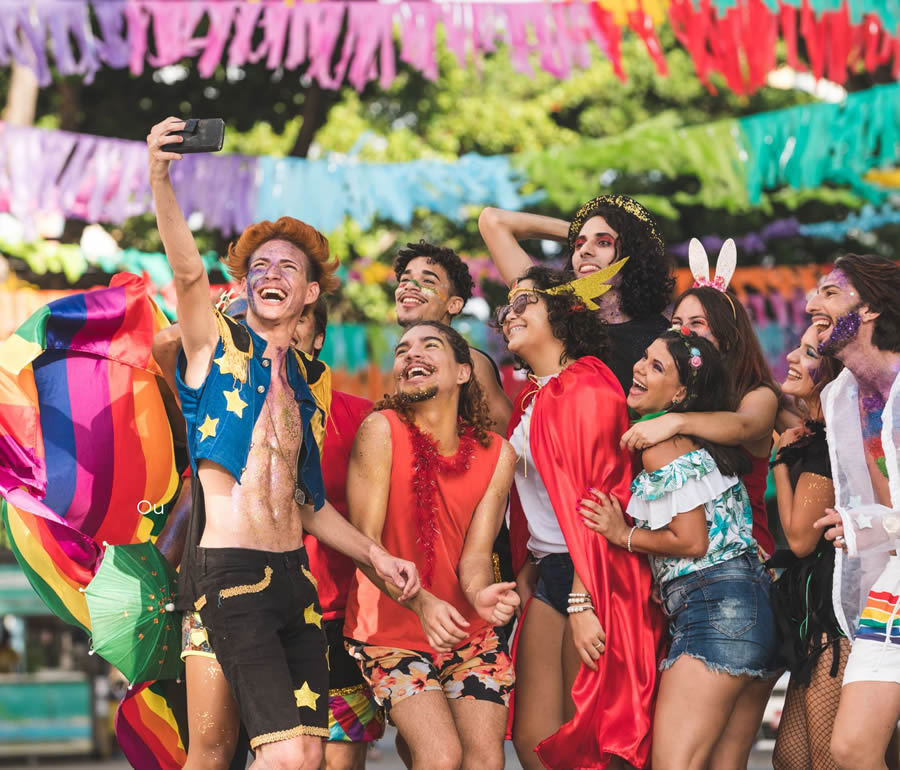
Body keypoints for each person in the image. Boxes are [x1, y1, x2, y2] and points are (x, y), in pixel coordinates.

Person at [147, 117, 419, 770]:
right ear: (243, 289)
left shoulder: (302, 387)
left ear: (310, 293)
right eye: (259, 267)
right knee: (261, 756)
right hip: (231, 574)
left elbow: (307, 505)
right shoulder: (214, 349)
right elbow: (187, 276)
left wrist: (376, 558)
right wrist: (160, 177)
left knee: (307, 754)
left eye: (287, 267)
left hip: (293, 583)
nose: (271, 274)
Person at [580, 329, 777, 770]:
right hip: (751, 609)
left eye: (657, 367)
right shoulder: (704, 443)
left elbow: (690, 541)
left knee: (674, 763)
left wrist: (621, 535)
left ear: (682, 392)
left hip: (715, 612)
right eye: (644, 357)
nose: (639, 368)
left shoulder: (661, 444)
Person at [618, 240, 782, 768]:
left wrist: (673, 419)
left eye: (699, 324)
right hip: (735, 596)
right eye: (679, 321)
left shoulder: (752, 395)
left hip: (725, 587)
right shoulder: (679, 422)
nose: (685, 330)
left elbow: (745, 428)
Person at [498, 266, 663, 769]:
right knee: (533, 740)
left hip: (594, 575)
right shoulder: (536, 396)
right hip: (550, 570)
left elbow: (603, 501)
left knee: (586, 738)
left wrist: (584, 596)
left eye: (526, 301)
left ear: (564, 314)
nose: (510, 313)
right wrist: (530, 568)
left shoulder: (588, 385)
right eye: (507, 305)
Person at [343, 321, 519, 770]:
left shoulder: (498, 454)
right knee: (441, 756)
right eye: (402, 349)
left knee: (485, 761)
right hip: (389, 633)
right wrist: (421, 602)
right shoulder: (380, 430)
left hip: (465, 629)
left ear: (463, 372)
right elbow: (365, 547)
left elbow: (476, 556)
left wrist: (482, 595)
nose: (411, 354)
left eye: (430, 345)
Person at [805, 255, 900, 770]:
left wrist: (865, 523)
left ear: (867, 309)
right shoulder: (846, 395)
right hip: (895, 579)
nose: (809, 304)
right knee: (853, 748)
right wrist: (866, 522)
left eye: (828, 293)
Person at [478, 194, 674, 393]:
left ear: (634, 253)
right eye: (578, 245)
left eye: (604, 243)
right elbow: (493, 221)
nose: (584, 251)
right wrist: (577, 231)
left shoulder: (662, 335)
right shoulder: (551, 313)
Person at [768, 325, 846, 769]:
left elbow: (799, 540)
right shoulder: (816, 435)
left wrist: (780, 462)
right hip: (814, 615)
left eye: (809, 352)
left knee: (828, 757)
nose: (793, 357)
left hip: (833, 616)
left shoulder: (824, 447)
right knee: (791, 758)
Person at [393, 240, 511, 434]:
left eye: (428, 281)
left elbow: (507, 440)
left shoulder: (470, 363)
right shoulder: (403, 361)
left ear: (454, 305)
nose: (410, 286)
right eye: (405, 280)